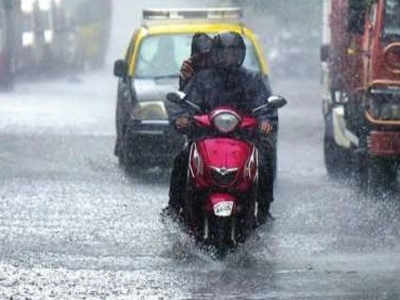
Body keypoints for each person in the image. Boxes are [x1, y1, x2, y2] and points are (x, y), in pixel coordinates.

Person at [166, 31, 276, 225]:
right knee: (182, 160)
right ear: (215, 54)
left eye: (234, 53)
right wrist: (182, 119)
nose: (229, 57)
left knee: (265, 160)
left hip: (243, 138)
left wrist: (265, 120)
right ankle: (174, 207)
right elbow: (186, 104)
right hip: (205, 137)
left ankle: (264, 210)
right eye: (224, 53)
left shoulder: (252, 79)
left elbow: (264, 106)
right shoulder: (201, 79)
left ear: (241, 54)